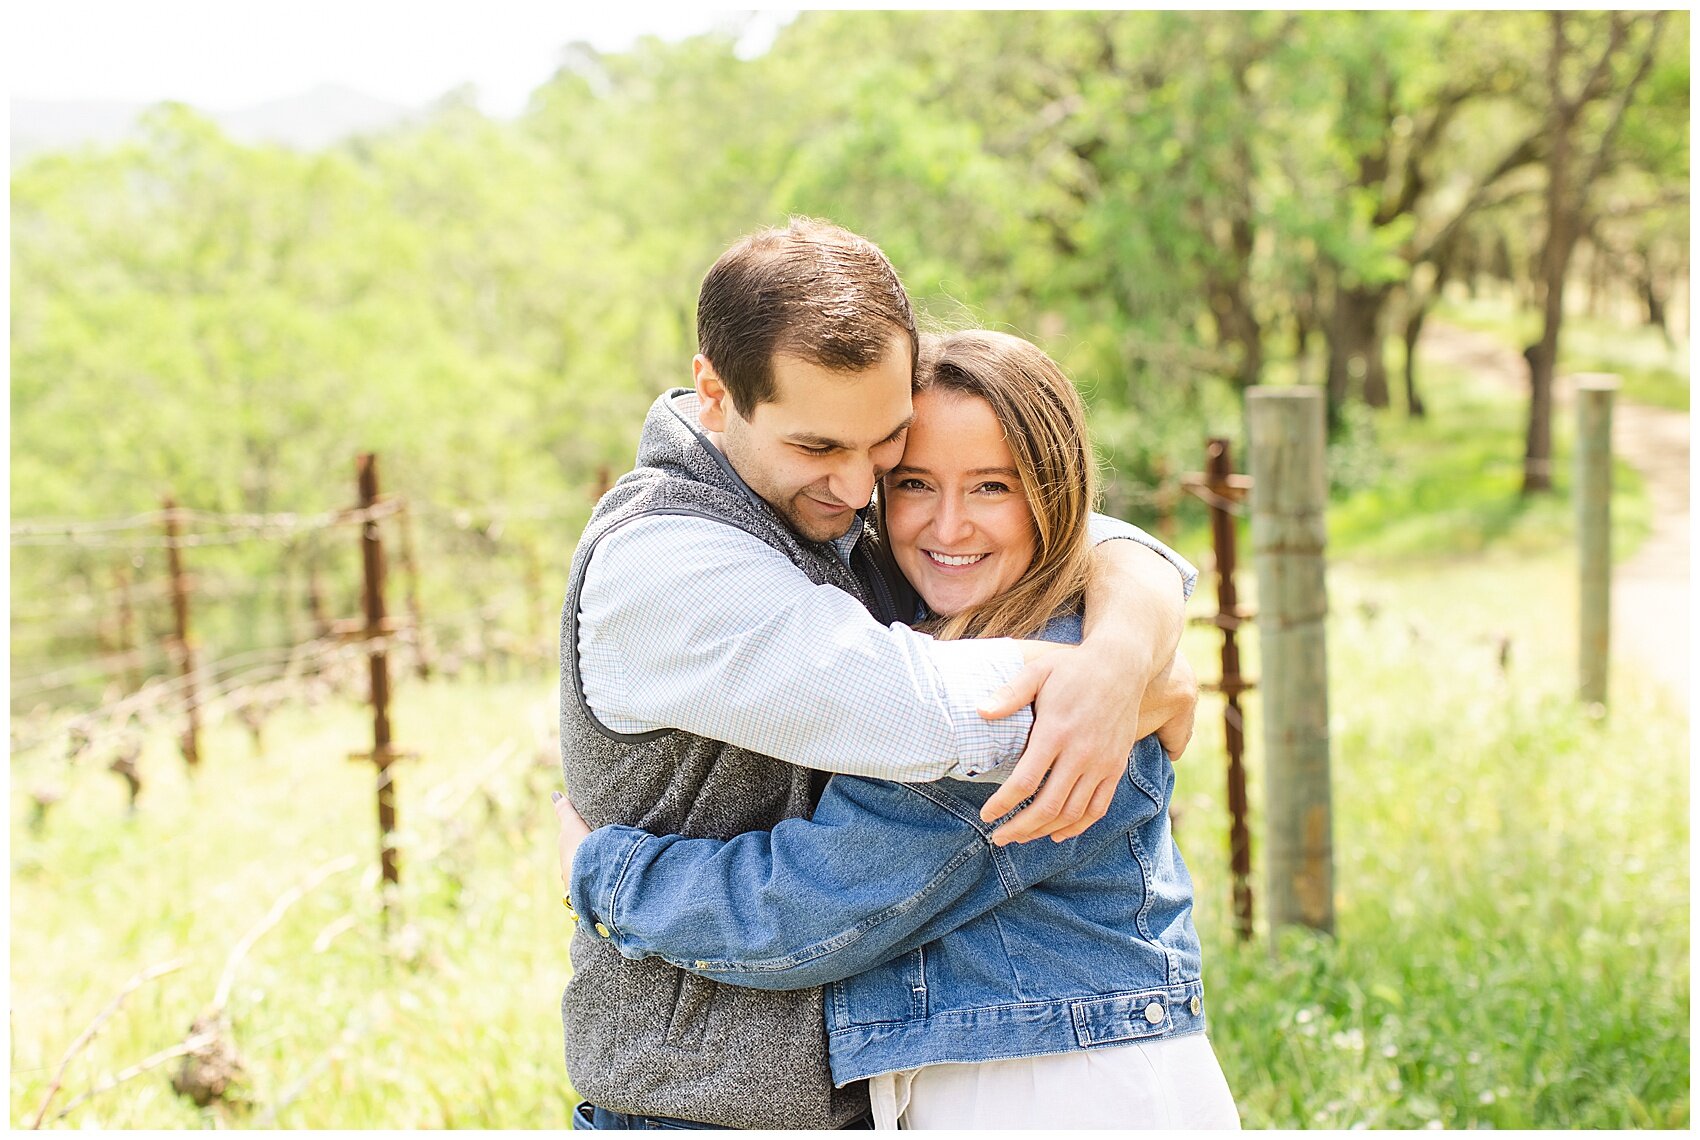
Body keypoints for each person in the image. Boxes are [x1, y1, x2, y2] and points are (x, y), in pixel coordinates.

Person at [558, 219, 1200, 1130]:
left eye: (885, 446)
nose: (863, 490)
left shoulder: (827, 507)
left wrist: (1129, 652)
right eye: (822, 449)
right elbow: (929, 714)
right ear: (715, 393)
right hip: (700, 1108)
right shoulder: (669, 563)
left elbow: (1083, 534)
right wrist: (1126, 684)